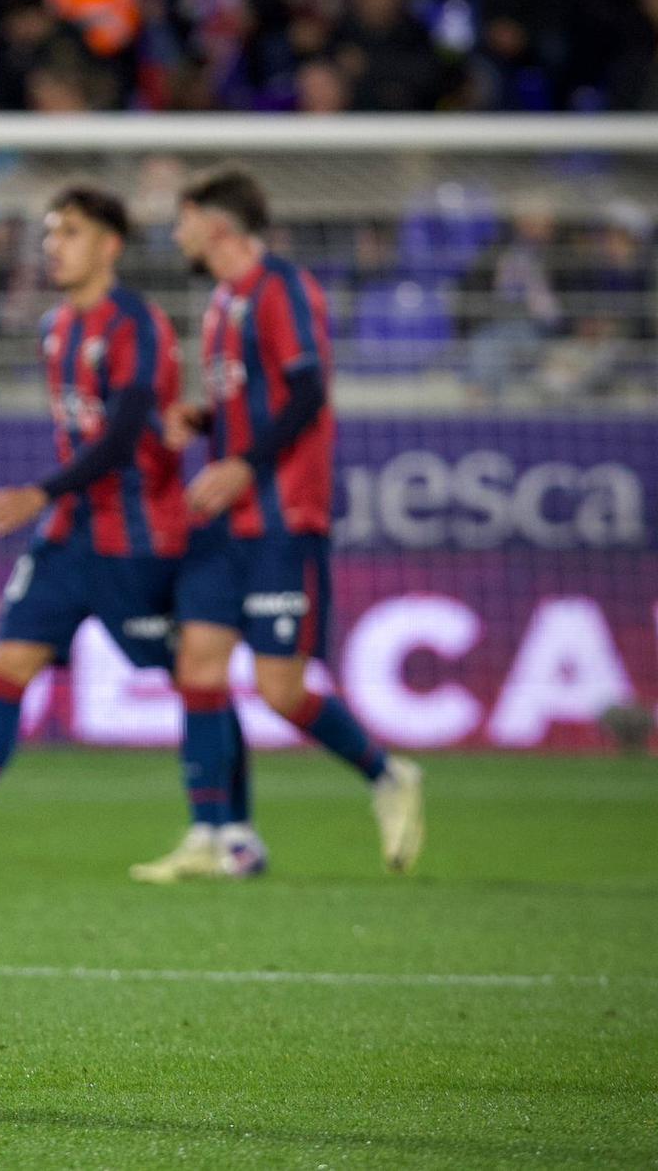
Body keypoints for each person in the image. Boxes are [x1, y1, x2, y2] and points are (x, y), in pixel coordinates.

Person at [0, 187, 264, 881]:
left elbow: (127, 429)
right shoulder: (55, 327)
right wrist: (51, 505)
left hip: (138, 540)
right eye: (50, 232)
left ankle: (234, 831)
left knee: (195, 679)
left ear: (110, 245)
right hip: (70, 536)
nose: (54, 244)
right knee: (7, 664)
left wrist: (36, 493)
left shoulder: (136, 323)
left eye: (70, 232)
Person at [152, 167, 424, 879]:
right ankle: (218, 836)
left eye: (182, 219)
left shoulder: (285, 289)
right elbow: (256, 401)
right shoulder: (219, 305)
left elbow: (307, 393)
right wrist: (203, 418)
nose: (175, 233)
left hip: (282, 519)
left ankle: (387, 775)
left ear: (216, 226)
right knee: (198, 667)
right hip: (226, 524)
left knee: (280, 691)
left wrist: (242, 463)